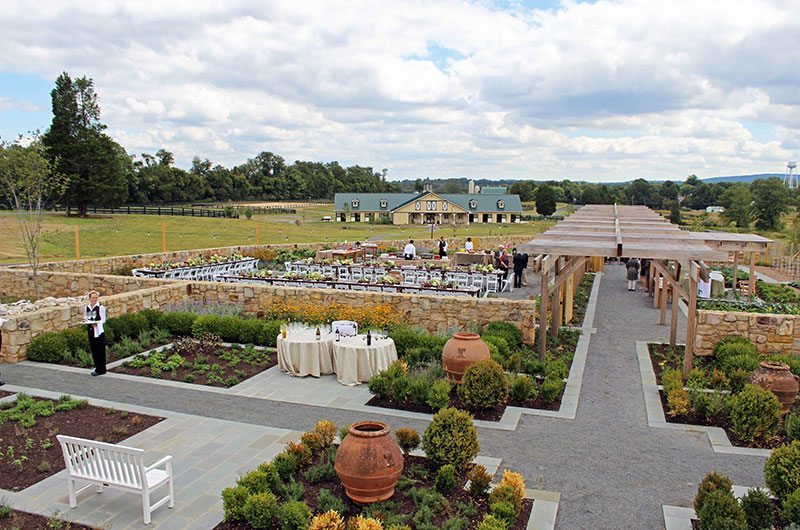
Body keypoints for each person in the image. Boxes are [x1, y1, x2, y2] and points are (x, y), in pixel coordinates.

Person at [84, 290, 107, 376]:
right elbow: (87, 317)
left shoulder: (100, 307)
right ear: (90, 298)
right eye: (93, 298)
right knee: (94, 349)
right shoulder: (87, 307)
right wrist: (87, 322)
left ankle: (102, 369)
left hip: (98, 331)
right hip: (91, 330)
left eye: (96, 298)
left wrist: (96, 323)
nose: (94, 299)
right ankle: (97, 367)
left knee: (100, 350)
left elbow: (103, 320)